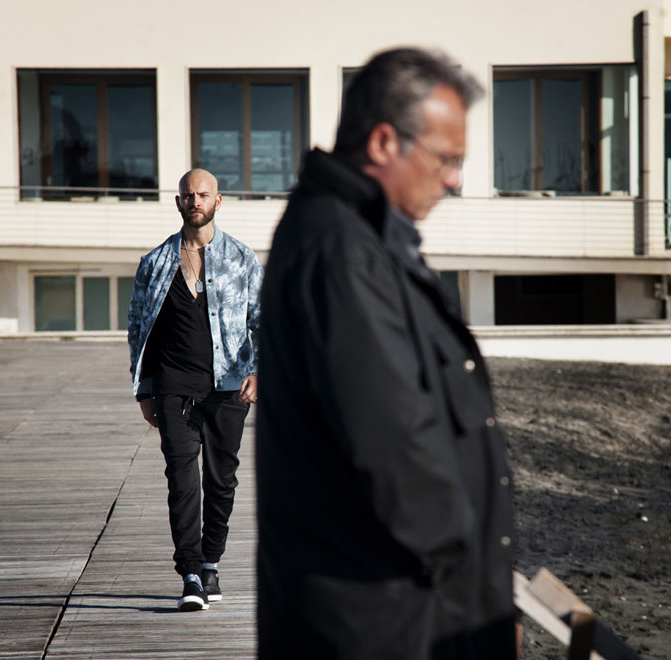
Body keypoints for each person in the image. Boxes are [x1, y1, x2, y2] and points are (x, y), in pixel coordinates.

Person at [256, 48, 517, 658]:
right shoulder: (342, 253)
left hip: (399, 611)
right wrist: (477, 595)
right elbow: (396, 448)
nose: (454, 179)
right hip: (384, 625)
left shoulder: (365, 239)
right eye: (447, 159)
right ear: (381, 144)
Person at [128, 168, 262, 612]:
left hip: (228, 388)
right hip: (172, 387)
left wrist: (260, 371)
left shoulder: (242, 259)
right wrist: (144, 389)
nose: (195, 201)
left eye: (203, 194)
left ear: (218, 202)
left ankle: (210, 563)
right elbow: (137, 329)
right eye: (188, 195)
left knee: (221, 480)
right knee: (182, 480)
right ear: (178, 201)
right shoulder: (155, 263)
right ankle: (188, 572)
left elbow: (264, 321)